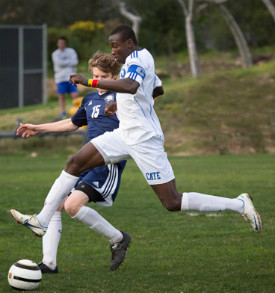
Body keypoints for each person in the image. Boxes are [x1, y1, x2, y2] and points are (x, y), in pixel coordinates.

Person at [10, 25, 262, 266]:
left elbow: (131, 86)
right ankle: (42, 220)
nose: (112, 51)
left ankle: (238, 204)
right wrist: (120, 105)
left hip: (144, 139)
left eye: (115, 46)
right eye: (111, 47)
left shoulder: (139, 58)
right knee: (74, 162)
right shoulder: (135, 62)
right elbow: (157, 88)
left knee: (171, 202)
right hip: (123, 134)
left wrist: (90, 82)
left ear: (129, 43)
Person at [11, 52, 132, 272]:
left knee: (71, 205)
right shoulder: (90, 99)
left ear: (115, 76)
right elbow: (72, 123)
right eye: (94, 76)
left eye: (103, 76)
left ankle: (118, 238)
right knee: (59, 205)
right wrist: (38, 128)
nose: (98, 81)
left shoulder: (124, 97)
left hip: (107, 163)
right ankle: (48, 263)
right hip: (87, 160)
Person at [52, 36, 79, 119]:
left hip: (72, 77)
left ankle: (78, 111)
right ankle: (63, 112)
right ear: (57, 44)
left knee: (75, 95)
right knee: (61, 96)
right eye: (60, 43)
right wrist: (69, 62)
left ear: (65, 43)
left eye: (63, 43)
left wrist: (65, 63)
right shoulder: (55, 54)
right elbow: (60, 63)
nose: (61, 45)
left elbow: (75, 62)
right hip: (60, 78)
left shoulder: (71, 51)